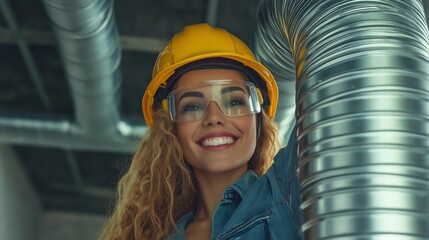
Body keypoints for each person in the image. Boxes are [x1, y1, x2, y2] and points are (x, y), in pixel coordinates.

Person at [98, 23, 301, 240]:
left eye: (234, 101)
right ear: (170, 130)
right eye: (192, 106)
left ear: (258, 121)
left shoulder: (289, 192)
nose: (214, 117)